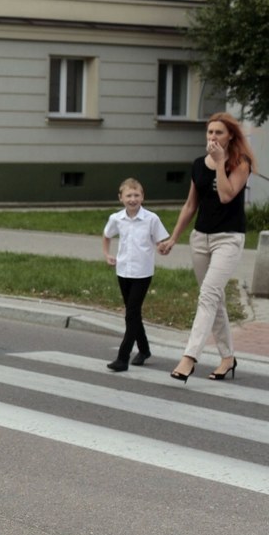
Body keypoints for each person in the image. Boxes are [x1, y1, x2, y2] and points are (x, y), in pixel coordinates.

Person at [159, 112, 257, 382]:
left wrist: (221, 162)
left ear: (231, 137)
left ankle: (189, 357)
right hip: (201, 238)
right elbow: (191, 204)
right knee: (215, 299)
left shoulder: (240, 162)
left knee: (208, 297)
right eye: (210, 132)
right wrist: (173, 238)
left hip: (228, 238)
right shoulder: (197, 164)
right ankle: (228, 358)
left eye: (219, 133)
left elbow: (226, 196)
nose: (213, 137)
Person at [101, 178, 169, 372]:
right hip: (123, 270)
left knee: (130, 314)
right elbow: (107, 235)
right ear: (121, 198)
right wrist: (107, 255)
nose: (133, 199)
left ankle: (123, 358)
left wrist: (162, 247)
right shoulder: (116, 219)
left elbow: (160, 241)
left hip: (143, 272)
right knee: (133, 313)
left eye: (136, 195)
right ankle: (145, 349)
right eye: (128, 195)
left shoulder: (151, 219)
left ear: (143, 196)